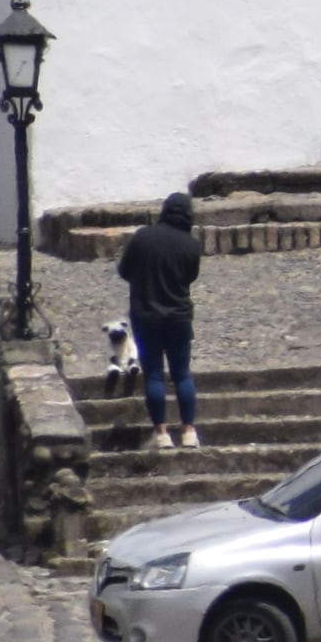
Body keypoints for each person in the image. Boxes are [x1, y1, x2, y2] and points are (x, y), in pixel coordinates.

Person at [116, 189, 205, 450]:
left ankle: (162, 433)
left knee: (154, 375)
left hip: (146, 316)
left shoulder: (143, 237)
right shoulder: (191, 245)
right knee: (182, 374)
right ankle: (188, 431)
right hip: (178, 317)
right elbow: (190, 277)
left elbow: (124, 270)